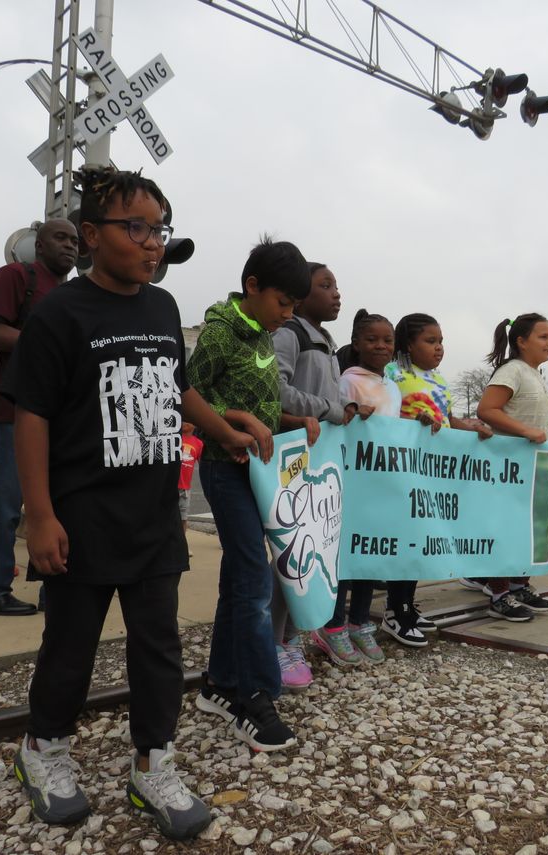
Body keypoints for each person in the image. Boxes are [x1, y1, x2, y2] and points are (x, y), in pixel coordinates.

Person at [8, 167, 256, 839]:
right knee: (71, 646)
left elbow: (176, 387)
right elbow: (30, 414)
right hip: (82, 514)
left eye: (159, 228)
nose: (152, 243)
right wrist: (41, 514)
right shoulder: (61, 313)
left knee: (159, 646)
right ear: (91, 235)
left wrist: (223, 429)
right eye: (136, 228)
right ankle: (44, 749)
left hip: (153, 514)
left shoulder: (161, 308)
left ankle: (154, 764)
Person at [189, 236, 318, 753]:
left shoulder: (263, 333)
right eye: (282, 303)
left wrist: (291, 419)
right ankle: (254, 695)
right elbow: (187, 394)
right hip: (225, 470)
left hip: (258, 472)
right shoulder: (220, 334)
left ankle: (220, 682)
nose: (286, 315)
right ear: (252, 287)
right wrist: (231, 425)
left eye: (293, 307)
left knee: (242, 576)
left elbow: (252, 402)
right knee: (253, 579)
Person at [0, 218, 79, 617]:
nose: (70, 246)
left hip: (59, 415)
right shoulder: (16, 275)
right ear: (39, 243)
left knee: (56, 505)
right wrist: (47, 343)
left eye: (75, 241)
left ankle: (54, 588)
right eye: (60, 238)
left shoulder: (69, 291)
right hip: (15, 410)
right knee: (7, 504)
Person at [272, 262, 370, 680]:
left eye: (336, 285)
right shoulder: (288, 333)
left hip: (318, 460)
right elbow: (276, 390)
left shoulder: (323, 340)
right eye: (324, 285)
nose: (336, 293)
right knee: (287, 550)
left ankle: (293, 637)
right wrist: (333, 410)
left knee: (312, 548)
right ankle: (277, 643)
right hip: (289, 460)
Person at [383, 313, 493, 646]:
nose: (439, 348)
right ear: (407, 344)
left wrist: (470, 427)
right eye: (430, 341)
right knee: (405, 539)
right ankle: (394, 609)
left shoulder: (440, 380)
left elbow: (445, 419)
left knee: (422, 539)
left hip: (433, 476)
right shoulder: (393, 374)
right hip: (402, 472)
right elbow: (384, 415)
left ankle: (407, 604)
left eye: (441, 341)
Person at [464, 314, 548, 620]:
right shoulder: (512, 371)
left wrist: (541, 432)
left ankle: (520, 584)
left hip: (531, 467)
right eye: (543, 337)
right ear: (521, 341)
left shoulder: (535, 374)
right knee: (504, 528)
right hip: (508, 468)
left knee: (527, 528)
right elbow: (487, 409)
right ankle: (498, 592)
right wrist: (525, 431)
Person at [333, 309, 404, 663]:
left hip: (383, 485)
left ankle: (360, 621)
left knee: (371, 555)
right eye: (372, 339)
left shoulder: (393, 385)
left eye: (387, 340)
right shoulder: (348, 380)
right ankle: (333, 624)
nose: (380, 346)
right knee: (347, 556)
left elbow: (395, 427)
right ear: (357, 343)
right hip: (353, 484)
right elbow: (339, 418)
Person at [178, 421, 203, 556]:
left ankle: (182, 545)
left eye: (188, 420)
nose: (184, 422)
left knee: (183, 517)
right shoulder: (174, 437)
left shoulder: (198, 444)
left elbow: (202, 464)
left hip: (185, 487)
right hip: (170, 485)